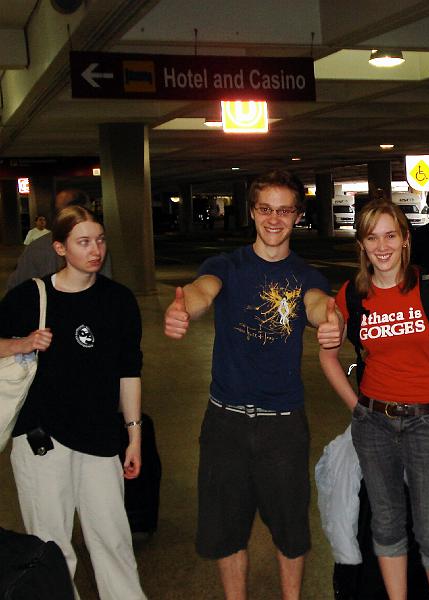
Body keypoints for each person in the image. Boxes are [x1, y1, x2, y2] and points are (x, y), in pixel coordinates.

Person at [163, 170, 341, 600]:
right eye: (265, 209)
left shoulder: (306, 275)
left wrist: (327, 321)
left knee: (291, 531)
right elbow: (205, 291)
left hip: (283, 425)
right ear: (252, 212)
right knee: (226, 532)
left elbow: (317, 305)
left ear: (298, 215)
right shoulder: (226, 265)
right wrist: (188, 307)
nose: (274, 219)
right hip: (225, 422)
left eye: (284, 210)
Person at [318, 200, 429, 600]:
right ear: (361, 244)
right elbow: (327, 356)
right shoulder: (353, 295)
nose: (382, 246)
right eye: (372, 237)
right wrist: (356, 407)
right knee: (387, 522)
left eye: (390, 235)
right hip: (373, 423)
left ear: (405, 239)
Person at [0, 206, 146, 600]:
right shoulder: (29, 297)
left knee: (113, 540)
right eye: (83, 242)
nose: (95, 249)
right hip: (41, 440)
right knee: (51, 548)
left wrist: (133, 435)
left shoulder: (118, 301)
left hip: (99, 437)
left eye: (99, 240)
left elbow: (129, 372)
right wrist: (22, 343)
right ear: (61, 248)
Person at [6, 189, 112, 291]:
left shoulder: (36, 247)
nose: (97, 251)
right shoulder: (37, 248)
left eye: (101, 239)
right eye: (83, 242)